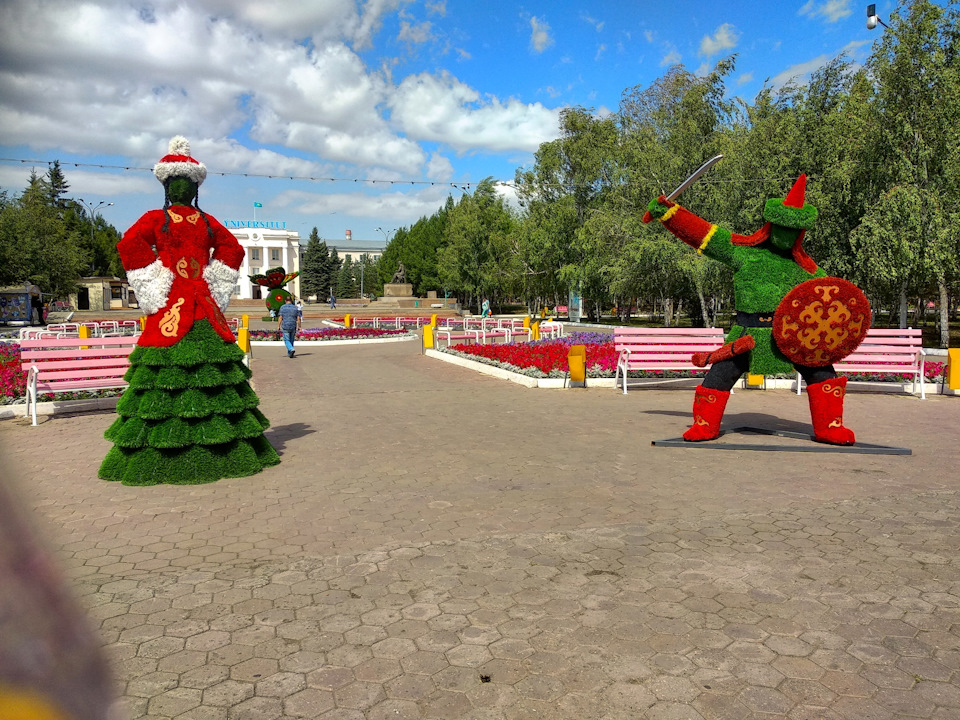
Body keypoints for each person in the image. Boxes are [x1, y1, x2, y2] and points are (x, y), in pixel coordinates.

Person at [99, 136, 280, 484]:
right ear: (168, 185)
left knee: (211, 375)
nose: (182, 188)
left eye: (188, 183)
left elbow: (232, 249)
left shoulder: (204, 222)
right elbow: (130, 244)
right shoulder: (160, 219)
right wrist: (156, 279)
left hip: (199, 301)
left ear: (194, 186)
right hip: (173, 301)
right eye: (177, 182)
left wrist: (211, 280)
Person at [644, 174, 860, 446]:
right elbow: (704, 233)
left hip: (793, 335)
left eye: (793, 229)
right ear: (771, 224)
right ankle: (704, 425)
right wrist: (669, 214)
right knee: (719, 375)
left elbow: (832, 305)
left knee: (823, 374)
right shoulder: (743, 252)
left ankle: (830, 427)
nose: (786, 234)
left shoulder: (810, 271)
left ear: (801, 232)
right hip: (747, 334)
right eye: (782, 226)